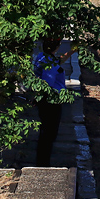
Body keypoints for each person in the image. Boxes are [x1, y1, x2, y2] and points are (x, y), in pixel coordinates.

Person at [31, 36, 74, 167]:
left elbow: (58, 62)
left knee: (45, 131)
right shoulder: (50, 65)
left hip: (44, 100)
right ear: (56, 47)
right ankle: (43, 164)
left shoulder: (42, 57)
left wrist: (71, 52)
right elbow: (48, 83)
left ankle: (43, 162)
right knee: (49, 133)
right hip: (51, 100)